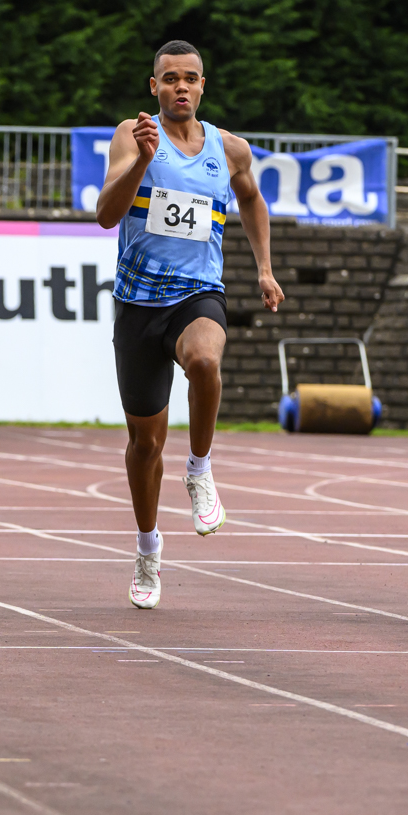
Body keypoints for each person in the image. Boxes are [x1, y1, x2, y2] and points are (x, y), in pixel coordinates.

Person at [96, 41, 284, 610]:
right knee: (144, 444)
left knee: (205, 360)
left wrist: (264, 268)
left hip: (198, 293)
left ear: (203, 85)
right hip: (137, 305)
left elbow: (252, 201)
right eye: (170, 78)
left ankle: (200, 468)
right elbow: (106, 215)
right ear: (153, 85)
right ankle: (148, 548)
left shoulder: (230, 148)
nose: (181, 86)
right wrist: (142, 161)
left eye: (191, 78)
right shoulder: (132, 135)